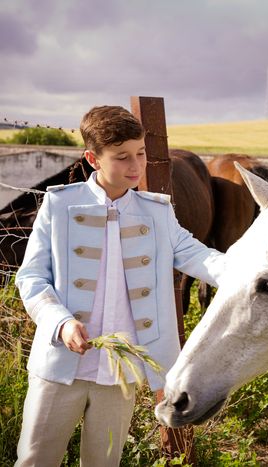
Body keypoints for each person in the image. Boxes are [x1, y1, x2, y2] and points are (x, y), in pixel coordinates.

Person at [14, 106, 227, 466]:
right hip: (59, 365)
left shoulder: (157, 212)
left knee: (105, 462)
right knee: (36, 458)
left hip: (120, 370)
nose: (136, 166)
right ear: (92, 158)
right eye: (122, 157)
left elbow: (197, 255)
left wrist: (245, 271)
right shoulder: (60, 203)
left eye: (141, 153)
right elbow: (31, 277)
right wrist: (61, 322)